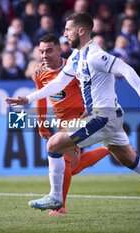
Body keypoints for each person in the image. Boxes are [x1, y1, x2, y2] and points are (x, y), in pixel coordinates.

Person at [6, 12, 140, 217]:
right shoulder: (76, 57)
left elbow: (126, 69)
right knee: (129, 160)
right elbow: (57, 83)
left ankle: (56, 197)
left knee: (54, 145)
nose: (65, 34)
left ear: (81, 31)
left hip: (103, 117)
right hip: (108, 118)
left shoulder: (95, 55)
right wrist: (28, 99)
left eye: (68, 29)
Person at [34, 34, 110, 215]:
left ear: (60, 50)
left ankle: (60, 207)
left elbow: (90, 89)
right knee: (72, 167)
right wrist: (41, 123)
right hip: (61, 122)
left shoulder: (74, 68)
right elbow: (41, 98)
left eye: (49, 51)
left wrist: (90, 110)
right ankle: (110, 148)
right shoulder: (39, 72)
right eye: (41, 51)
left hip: (78, 119)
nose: (44, 55)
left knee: (65, 163)